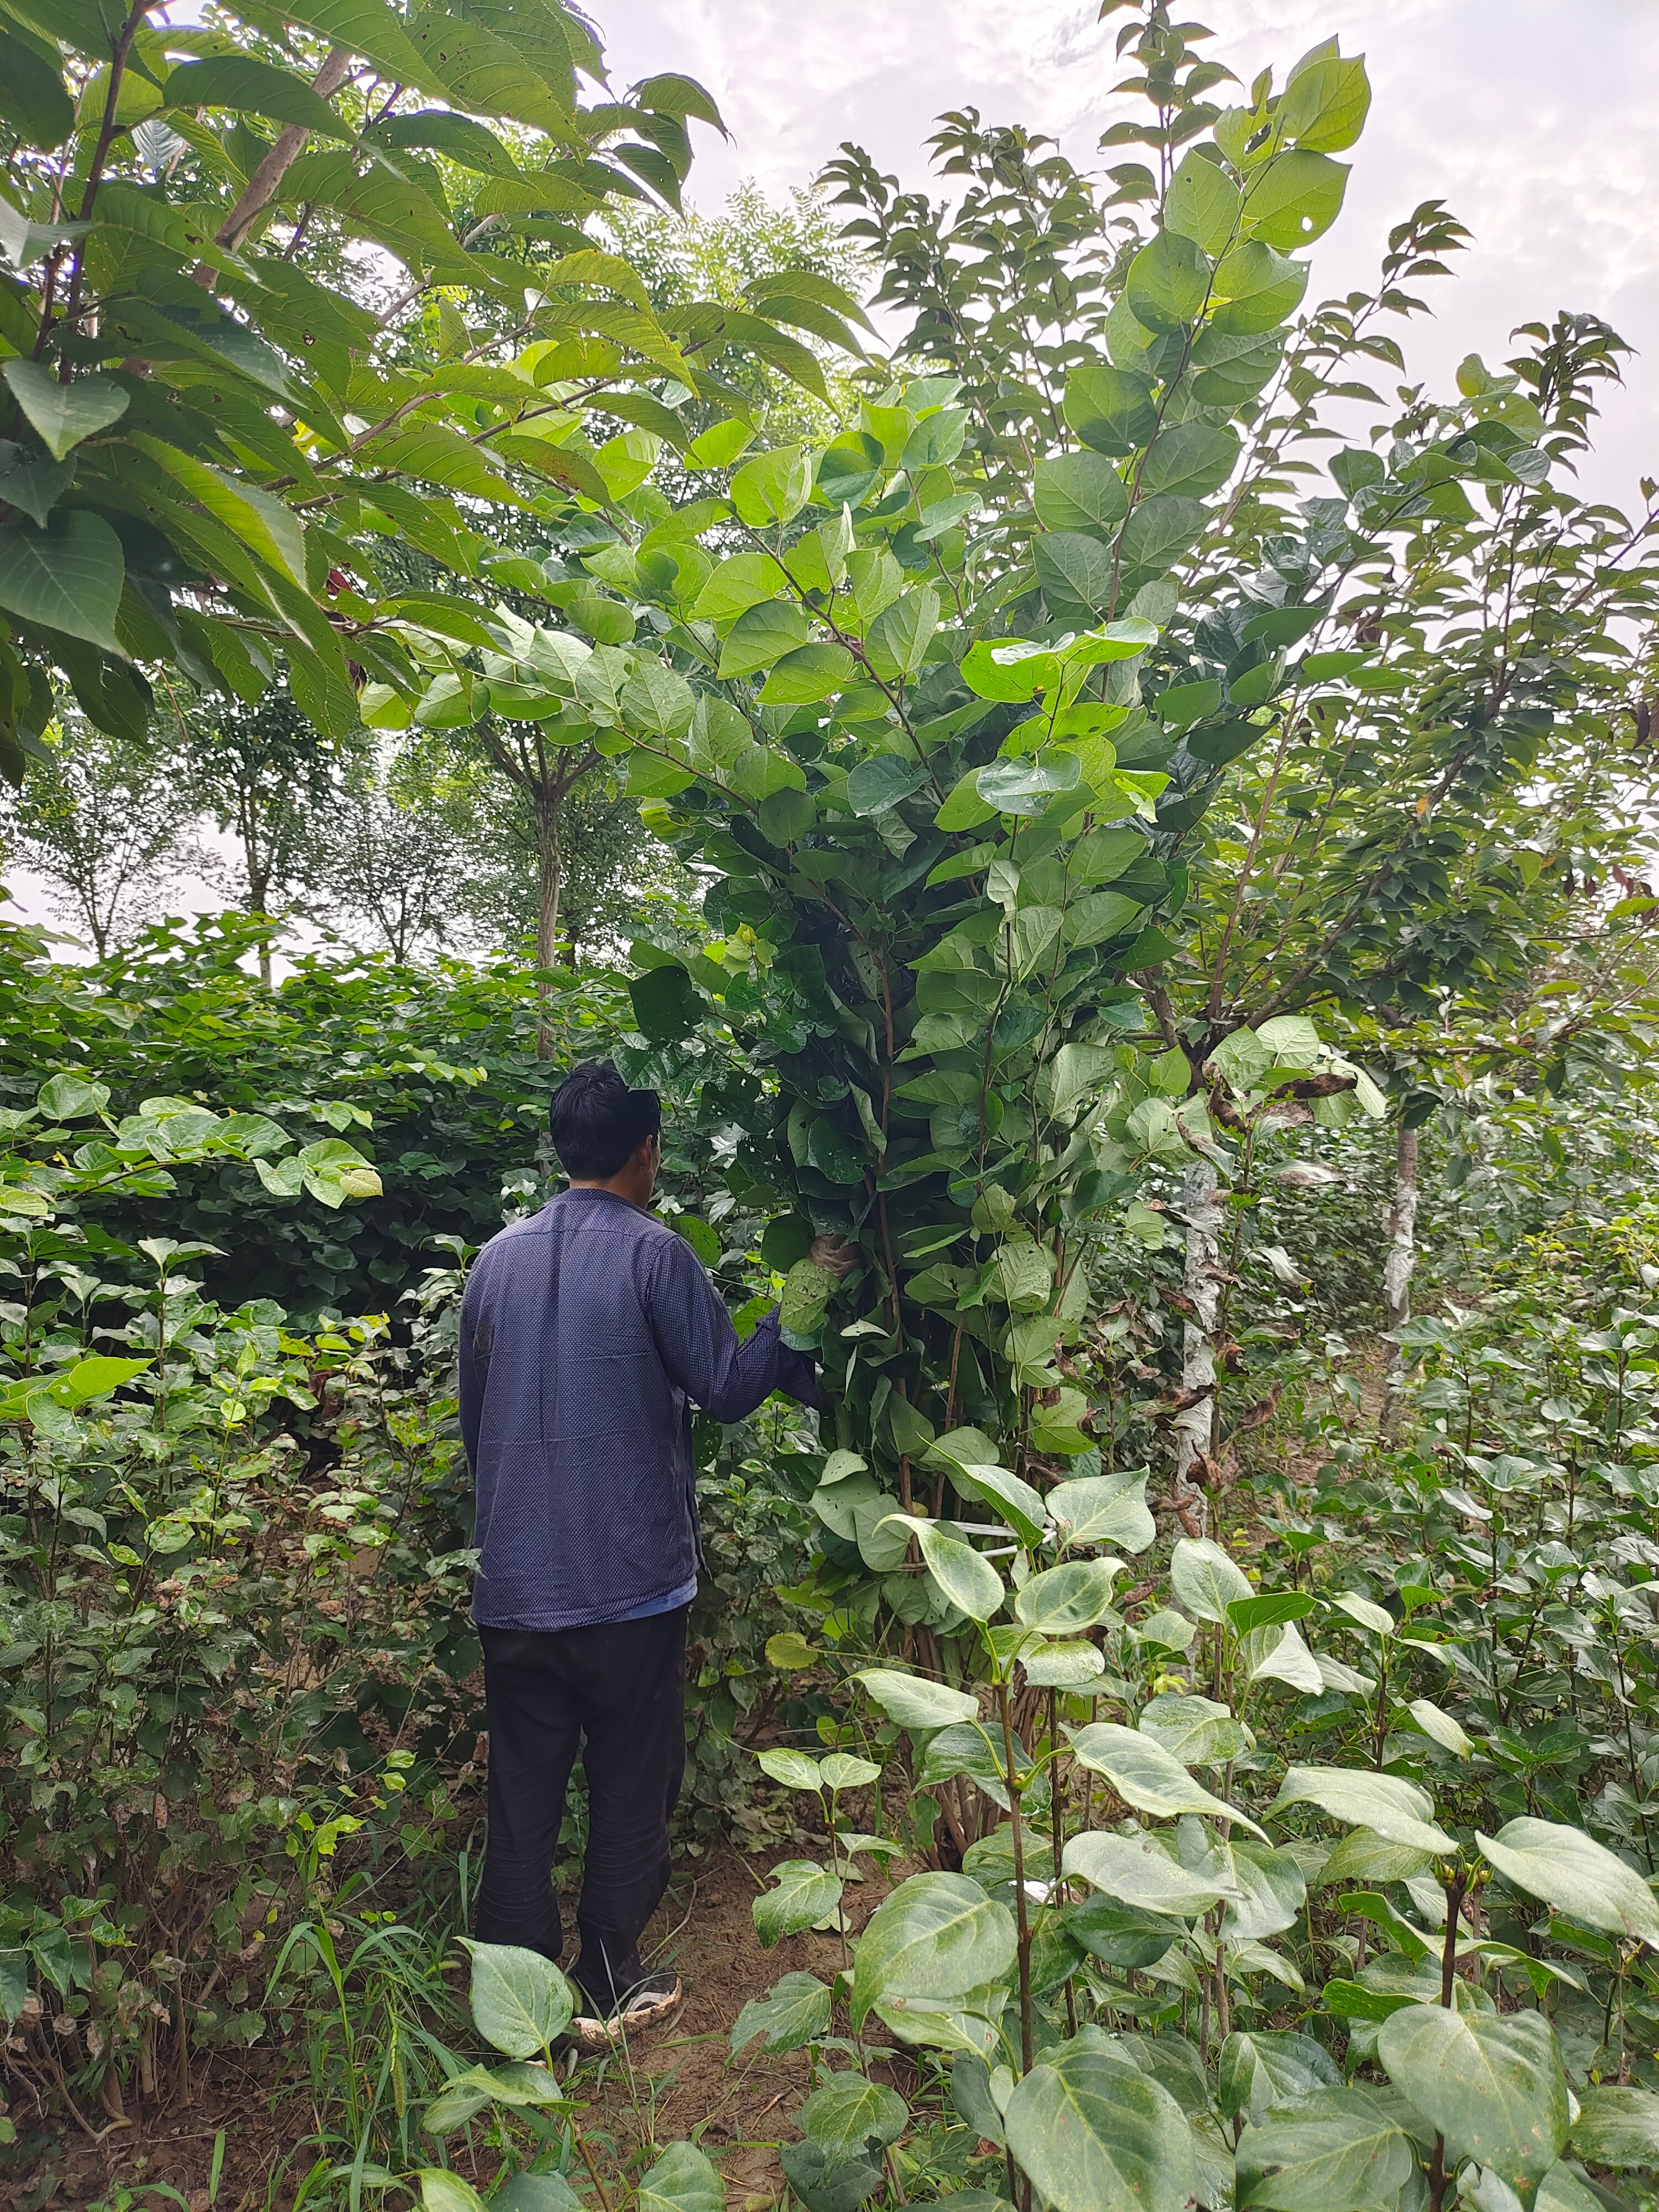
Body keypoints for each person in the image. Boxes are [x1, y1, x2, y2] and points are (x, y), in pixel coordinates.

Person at [458, 1059, 852, 2049]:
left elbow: (476, 1423)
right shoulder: (653, 1255)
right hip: (629, 1585)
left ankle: (514, 2011)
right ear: (644, 1151)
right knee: (634, 1778)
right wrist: (816, 1280)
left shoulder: (494, 1263)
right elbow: (723, 1387)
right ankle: (605, 1976)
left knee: (523, 1793)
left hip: (515, 1587)